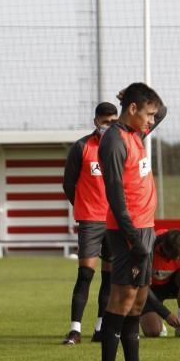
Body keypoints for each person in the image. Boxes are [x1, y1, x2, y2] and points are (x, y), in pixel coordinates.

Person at [95, 82, 171, 361]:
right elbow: (114, 195)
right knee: (122, 300)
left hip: (145, 228)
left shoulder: (136, 134)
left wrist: (139, 94)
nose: (153, 120)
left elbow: (162, 110)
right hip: (127, 232)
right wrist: (132, 237)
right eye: (148, 114)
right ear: (133, 110)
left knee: (138, 300)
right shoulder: (114, 141)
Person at [61, 102, 117, 345]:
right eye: (105, 122)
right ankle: (75, 330)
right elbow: (68, 183)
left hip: (114, 221)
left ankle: (100, 328)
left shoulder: (121, 146)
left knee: (109, 278)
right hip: (91, 221)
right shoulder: (82, 146)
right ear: (96, 122)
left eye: (113, 121)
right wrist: (82, 206)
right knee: (85, 274)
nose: (109, 126)